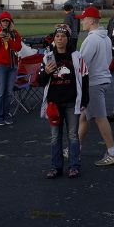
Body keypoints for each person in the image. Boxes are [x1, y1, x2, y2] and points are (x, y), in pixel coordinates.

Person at [74, 7, 114, 167]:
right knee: (84, 116)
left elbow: (82, 63)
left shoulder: (91, 39)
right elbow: (109, 60)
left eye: (84, 19)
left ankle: (113, 152)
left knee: (100, 118)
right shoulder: (106, 38)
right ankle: (75, 148)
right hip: (102, 80)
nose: (82, 21)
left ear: (91, 20)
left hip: (93, 83)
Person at [38, 25, 84, 178]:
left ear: (68, 39)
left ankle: (74, 166)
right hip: (54, 103)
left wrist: (85, 100)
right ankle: (55, 167)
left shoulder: (77, 56)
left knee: (73, 135)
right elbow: (40, 81)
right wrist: (47, 72)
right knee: (55, 136)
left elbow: (85, 77)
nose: (59, 39)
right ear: (54, 38)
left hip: (71, 102)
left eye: (63, 36)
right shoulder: (48, 57)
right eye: (57, 36)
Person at [0, 11, 22, 126]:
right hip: (0, 65)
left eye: (7, 20)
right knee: (0, 92)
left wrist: (10, 39)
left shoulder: (15, 33)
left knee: (8, 93)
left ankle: (6, 114)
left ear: (10, 22)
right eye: (3, 21)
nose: (5, 23)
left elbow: (18, 48)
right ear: (0, 22)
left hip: (12, 65)